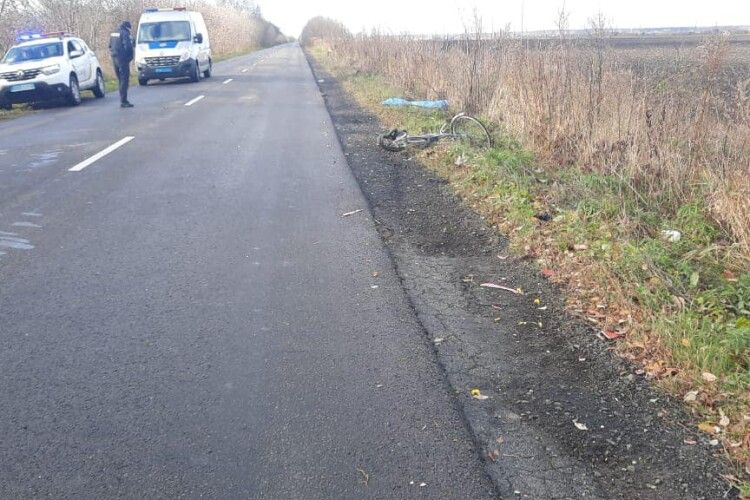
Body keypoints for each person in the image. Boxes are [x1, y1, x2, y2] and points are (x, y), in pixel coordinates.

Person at [110, 21, 135, 108]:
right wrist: (130, 57)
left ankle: (122, 99)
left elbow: (109, 46)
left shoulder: (113, 33)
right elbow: (128, 46)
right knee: (124, 80)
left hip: (114, 58)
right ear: (127, 27)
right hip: (122, 59)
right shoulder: (124, 33)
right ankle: (124, 101)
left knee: (120, 80)